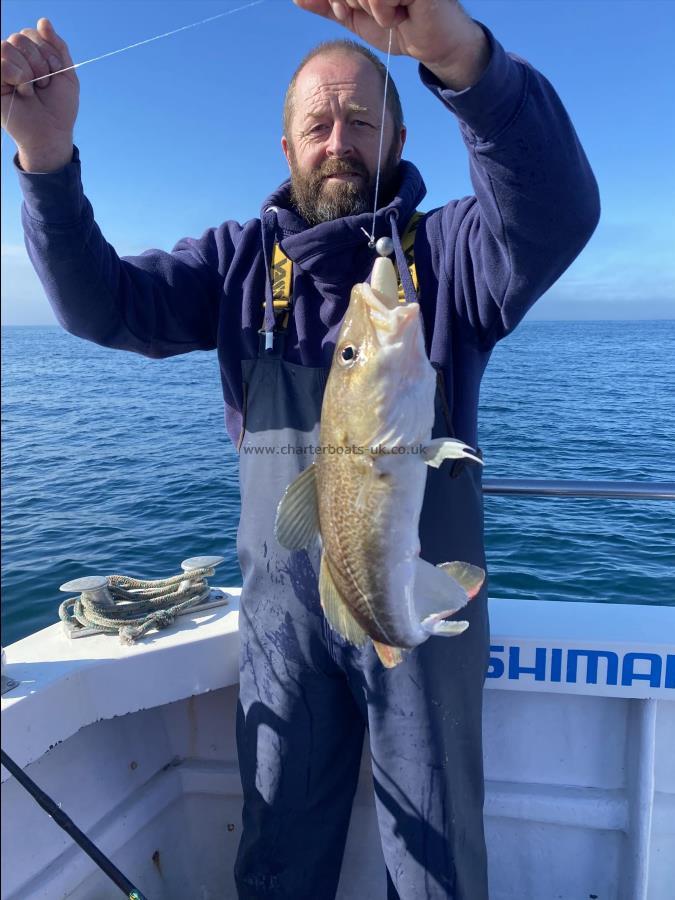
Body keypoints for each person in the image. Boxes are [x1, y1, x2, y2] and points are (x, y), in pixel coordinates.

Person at [1, 1, 600, 897]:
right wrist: (46, 163)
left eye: (361, 120)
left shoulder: (452, 255)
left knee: (436, 861)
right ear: (286, 149)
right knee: (279, 854)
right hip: (283, 621)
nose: (338, 141)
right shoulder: (237, 263)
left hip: (416, 608)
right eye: (317, 123)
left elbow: (555, 211)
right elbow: (102, 305)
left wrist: (457, 53)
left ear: (395, 138)